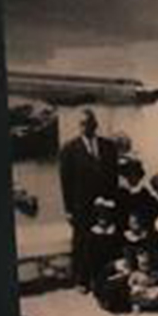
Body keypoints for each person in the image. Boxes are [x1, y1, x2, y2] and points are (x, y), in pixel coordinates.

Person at [58, 109, 121, 291]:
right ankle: (82, 280)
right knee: (82, 241)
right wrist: (68, 209)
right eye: (82, 123)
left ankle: (103, 277)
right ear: (79, 126)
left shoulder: (108, 146)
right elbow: (66, 182)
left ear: (95, 125)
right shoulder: (69, 149)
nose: (86, 127)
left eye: (89, 123)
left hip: (105, 204)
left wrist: (112, 201)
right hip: (81, 205)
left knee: (105, 240)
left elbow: (114, 176)